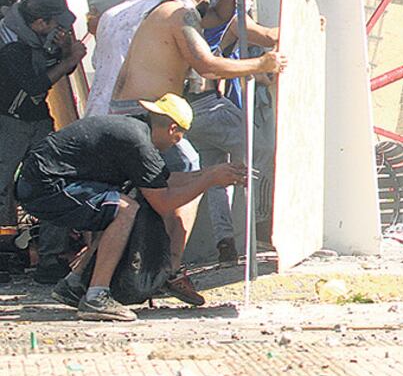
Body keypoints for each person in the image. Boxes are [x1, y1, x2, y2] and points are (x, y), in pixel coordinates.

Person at [111, 0, 286, 301]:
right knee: (192, 170)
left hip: (141, 110)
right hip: (143, 113)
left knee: (180, 176)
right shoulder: (182, 14)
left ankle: (164, 265)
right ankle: (171, 269)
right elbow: (207, 64)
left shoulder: (168, 8)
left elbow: (221, 17)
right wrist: (261, 65)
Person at [17, 94, 247, 321]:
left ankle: (75, 284)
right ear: (172, 128)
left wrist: (212, 172)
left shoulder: (138, 131)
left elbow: (163, 180)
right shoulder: (138, 142)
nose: (175, 144)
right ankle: (96, 297)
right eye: (179, 137)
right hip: (45, 185)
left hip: (45, 179)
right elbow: (163, 203)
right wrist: (209, 180)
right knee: (124, 209)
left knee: (113, 208)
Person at [184, 0, 278, 265]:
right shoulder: (234, 19)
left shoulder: (200, 18)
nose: (249, 1)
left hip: (188, 111)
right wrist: (307, 22)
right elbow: (268, 37)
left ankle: (225, 241)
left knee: (213, 174)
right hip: (207, 105)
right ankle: (251, 229)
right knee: (258, 149)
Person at [0, 0, 87, 282]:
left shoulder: (34, 35)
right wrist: (68, 59)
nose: (59, 30)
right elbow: (35, 84)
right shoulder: (10, 42)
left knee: (52, 182)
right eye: (55, 24)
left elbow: (51, 67)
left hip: (37, 118)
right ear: (39, 22)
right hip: (9, 122)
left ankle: (51, 258)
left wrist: (65, 53)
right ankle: (6, 253)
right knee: (2, 187)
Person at [84, 0, 176, 118]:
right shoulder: (154, 11)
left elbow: (96, 62)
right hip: (127, 113)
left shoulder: (109, 14)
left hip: (97, 109)